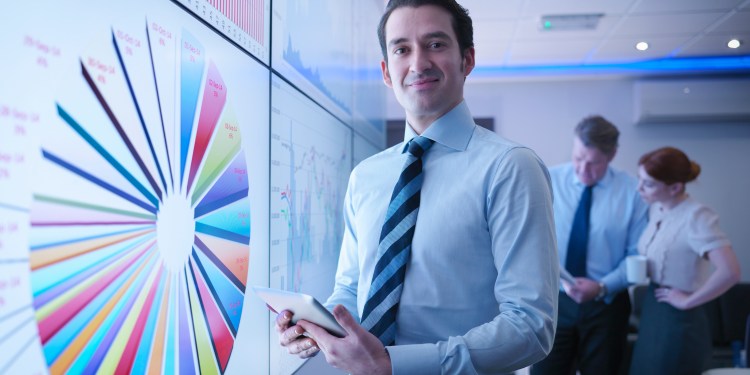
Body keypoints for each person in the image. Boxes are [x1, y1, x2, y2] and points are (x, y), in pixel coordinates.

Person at [275, 0, 559, 373]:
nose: (418, 63)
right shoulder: (366, 176)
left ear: (467, 59)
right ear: (387, 72)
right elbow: (350, 288)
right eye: (402, 49)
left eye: (436, 44)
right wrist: (319, 327)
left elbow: (531, 327)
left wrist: (394, 364)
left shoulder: (510, 168)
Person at [532, 116, 649, 375]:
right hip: (553, 301)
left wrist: (602, 287)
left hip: (606, 306)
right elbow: (532, 239)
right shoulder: (547, 180)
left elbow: (637, 254)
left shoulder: (633, 192)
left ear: (612, 155)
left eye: (593, 163)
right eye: (577, 158)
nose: (583, 169)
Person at [628, 147, 741, 375]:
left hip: (680, 316)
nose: (639, 188)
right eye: (640, 179)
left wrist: (688, 301)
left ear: (675, 187)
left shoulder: (697, 216)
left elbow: (730, 272)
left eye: (648, 183)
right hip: (653, 305)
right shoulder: (657, 209)